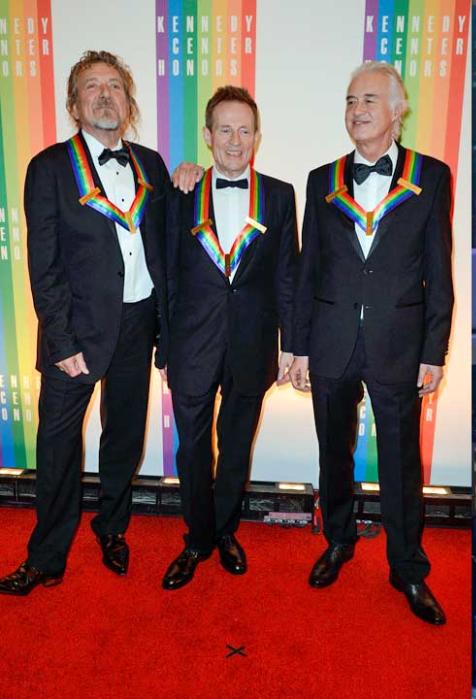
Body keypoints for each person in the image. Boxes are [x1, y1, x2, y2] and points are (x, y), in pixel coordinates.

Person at [0, 50, 172, 595]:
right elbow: (44, 264)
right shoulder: (49, 167)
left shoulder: (152, 165)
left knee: (123, 437)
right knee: (57, 446)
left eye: (115, 86)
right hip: (73, 334)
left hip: (139, 321)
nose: (105, 95)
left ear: (129, 101)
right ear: (74, 104)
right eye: (92, 87)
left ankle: (112, 528)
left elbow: (168, 246)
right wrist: (62, 338)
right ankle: (47, 556)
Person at [288, 61, 453, 625]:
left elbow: (439, 269)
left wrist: (435, 349)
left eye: (369, 100)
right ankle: (337, 540)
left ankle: (407, 567)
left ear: (397, 111)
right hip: (332, 340)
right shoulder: (321, 179)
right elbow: (308, 269)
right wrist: (298, 343)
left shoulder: (431, 176)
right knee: (333, 450)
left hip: (400, 344)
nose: (357, 109)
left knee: (402, 461)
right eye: (350, 99)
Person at [160, 86, 299, 589]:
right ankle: (196, 539)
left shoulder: (281, 195)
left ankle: (224, 531)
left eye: (245, 130)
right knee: (192, 450)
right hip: (192, 344)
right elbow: (167, 273)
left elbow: (288, 275)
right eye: (225, 129)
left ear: (258, 136)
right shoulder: (180, 193)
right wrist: (165, 342)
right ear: (207, 135)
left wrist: (291, 343)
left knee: (236, 447)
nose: (235, 141)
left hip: (252, 345)